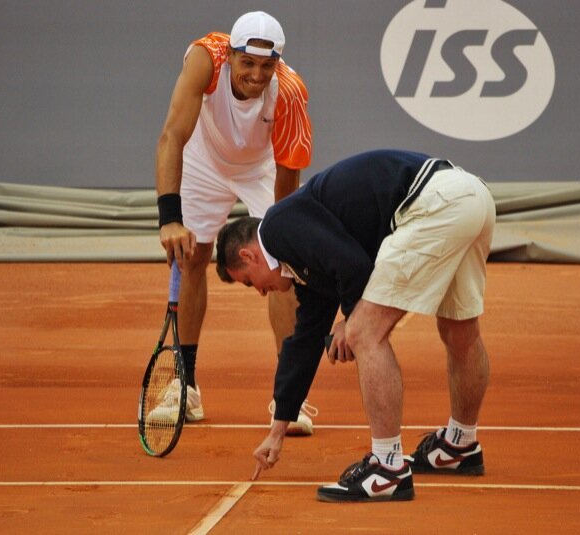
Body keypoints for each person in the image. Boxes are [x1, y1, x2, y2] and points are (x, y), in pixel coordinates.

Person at [215, 149, 496, 502]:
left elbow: (353, 266)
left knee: (365, 332)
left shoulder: (277, 227)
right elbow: (303, 342)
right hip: (472, 197)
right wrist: (278, 429)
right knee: (460, 331)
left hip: (434, 205)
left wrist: (351, 320)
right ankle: (459, 445)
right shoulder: (298, 255)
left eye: (248, 282)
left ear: (248, 255)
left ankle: (388, 467)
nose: (259, 292)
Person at [153, 11, 317, 434]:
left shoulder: (290, 93)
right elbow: (172, 135)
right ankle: (185, 386)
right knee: (192, 258)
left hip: (260, 167)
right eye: (248, 63)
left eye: (267, 66)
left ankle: (288, 395)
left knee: (281, 264)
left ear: (277, 63)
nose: (256, 74)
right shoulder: (205, 59)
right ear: (231, 57)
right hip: (204, 160)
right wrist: (170, 219)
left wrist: (284, 241)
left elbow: (287, 172)